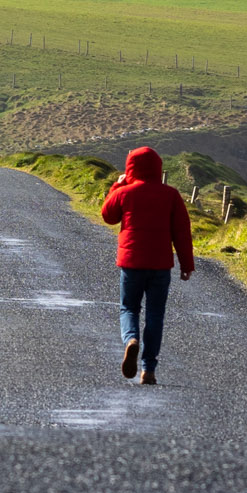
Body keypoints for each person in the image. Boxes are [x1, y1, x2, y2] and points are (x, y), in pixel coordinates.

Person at [100, 146, 194, 385]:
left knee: (129, 308)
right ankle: (148, 369)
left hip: (132, 263)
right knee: (155, 314)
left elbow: (108, 215)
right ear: (157, 167)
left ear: (131, 168)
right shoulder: (171, 195)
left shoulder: (126, 192)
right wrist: (186, 264)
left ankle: (131, 340)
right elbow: (182, 232)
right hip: (160, 264)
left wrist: (117, 186)